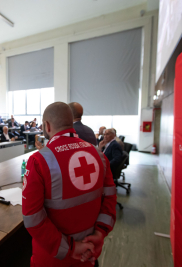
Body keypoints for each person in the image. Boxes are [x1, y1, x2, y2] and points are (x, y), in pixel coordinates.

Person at [23, 102, 116, 266]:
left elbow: (32, 219)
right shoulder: (99, 155)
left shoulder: (38, 160)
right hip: (88, 255)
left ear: (47, 125)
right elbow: (110, 199)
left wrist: (71, 248)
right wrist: (100, 233)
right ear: (71, 122)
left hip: (52, 258)